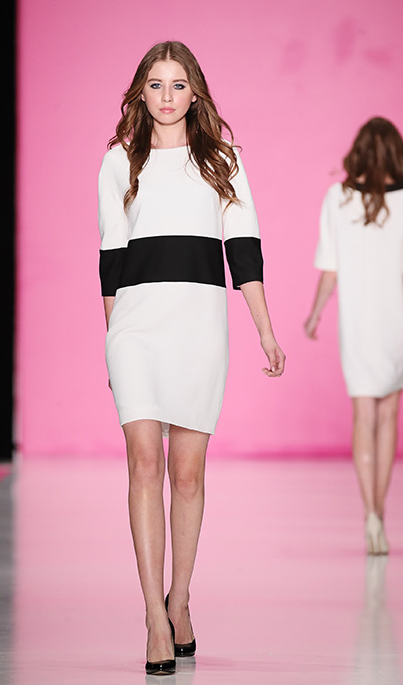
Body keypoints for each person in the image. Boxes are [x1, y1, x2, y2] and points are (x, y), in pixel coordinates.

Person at [98, 40, 285, 675]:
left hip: (200, 326)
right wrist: (113, 340)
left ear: (195, 93)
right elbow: (111, 259)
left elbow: (244, 249)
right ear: (140, 92)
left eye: (179, 85)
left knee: (187, 475)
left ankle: (180, 599)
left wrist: (265, 332)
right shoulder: (119, 162)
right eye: (156, 84)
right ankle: (154, 616)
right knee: (143, 462)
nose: (167, 96)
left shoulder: (222, 160)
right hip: (136, 328)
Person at [304, 117, 403, 556]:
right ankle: (379, 515)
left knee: (362, 416)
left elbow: (330, 268)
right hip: (398, 321)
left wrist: (315, 314)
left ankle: (369, 514)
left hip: (357, 322)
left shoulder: (338, 197)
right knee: (389, 417)